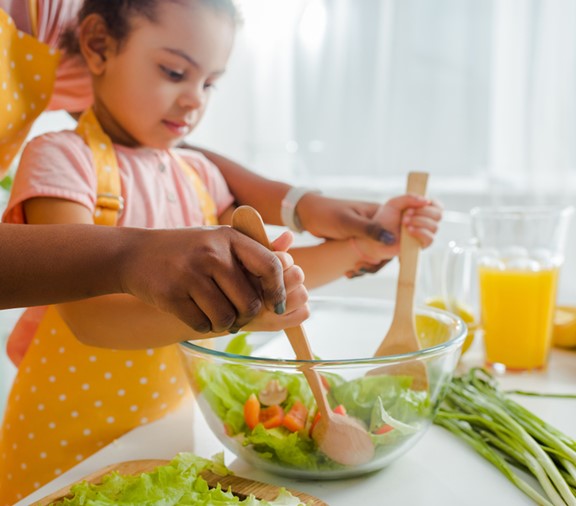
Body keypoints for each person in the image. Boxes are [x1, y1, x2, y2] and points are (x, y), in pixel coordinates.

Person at [0, 0, 441, 501]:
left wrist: (361, 245)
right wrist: (240, 312)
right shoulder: (60, 159)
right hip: (59, 448)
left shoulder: (199, 174)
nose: (194, 101)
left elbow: (272, 274)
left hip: (165, 434)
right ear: (99, 46)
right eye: (174, 72)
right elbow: (93, 322)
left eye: (209, 83)